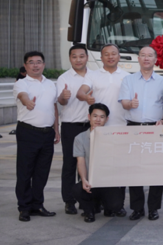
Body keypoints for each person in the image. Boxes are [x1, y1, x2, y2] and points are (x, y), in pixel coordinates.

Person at [76, 43, 128, 217]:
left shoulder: (127, 76)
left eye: (114, 54)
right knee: (92, 163)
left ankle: (116, 205)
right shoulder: (93, 76)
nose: (110, 57)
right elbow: (81, 92)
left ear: (119, 56)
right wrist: (85, 96)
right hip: (98, 129)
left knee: (118, 168)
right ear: (101, 57)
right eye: (107, 54)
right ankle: (91, 203)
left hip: (119, 129)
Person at [119, 46, 163, 221]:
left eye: (150, 55)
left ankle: (153, 208)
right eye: (143, 55)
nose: (146, 58)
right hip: (134, 128)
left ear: (155, 59)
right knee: (134, 169)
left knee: (156, 169)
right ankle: (137, 208)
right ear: (138, 58)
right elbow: (124, 102)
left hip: (155, 129)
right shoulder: (129, 80)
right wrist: (130, 104)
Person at [13, 51, 60, 222]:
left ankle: (37, 205)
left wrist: (56, 129)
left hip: (47, 133)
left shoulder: (50, 84)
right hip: (28, 132)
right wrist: (27, 101)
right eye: (31, 62)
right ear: (25, 66)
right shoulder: (21, 83)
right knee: (25, 172)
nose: (35, 65)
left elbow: (54, 107)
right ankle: (24, 208)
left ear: (44, 64)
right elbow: (22, 96)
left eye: (39, 62)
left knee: (42, 172)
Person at [56, 44, 96, 215]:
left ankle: (87, 199)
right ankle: (69, 200)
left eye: (81, 56)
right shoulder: (64, 78)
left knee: (90, 164)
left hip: (91, 126)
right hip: (71, 126)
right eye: (74, 56)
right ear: (70, 58)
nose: (78, 59)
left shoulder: (95, 76)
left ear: (87, 57)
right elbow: (61, 102)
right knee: (70, 164)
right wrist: (63, 97)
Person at [73, 103, 128, 223]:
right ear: (89, 117)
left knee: (115, 205)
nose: (98, 119)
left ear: (107, 119)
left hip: (107, 181)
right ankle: (89, 211)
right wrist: (83, 180)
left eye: (102, 117)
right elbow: (80, 161)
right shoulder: (80, 138)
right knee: (77, 189)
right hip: (90, 182)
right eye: (95, 116)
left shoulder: (113, 138)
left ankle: (107, 206)